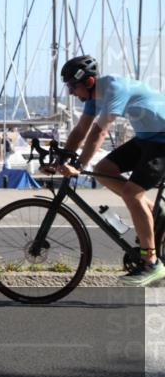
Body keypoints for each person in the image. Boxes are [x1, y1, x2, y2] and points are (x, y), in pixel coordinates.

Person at [57, 55, 165, 286]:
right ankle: (155, 214)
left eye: (71, 86)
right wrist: (62, 158)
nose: (70, 93)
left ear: (88, 82)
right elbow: (80, 131)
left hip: (162, 141)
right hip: (147, 138)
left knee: (131, 193)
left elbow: (98, 133)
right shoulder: (95, 96)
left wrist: (77, 166)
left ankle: (152, 263)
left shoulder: (114, 88)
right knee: (102, 169)